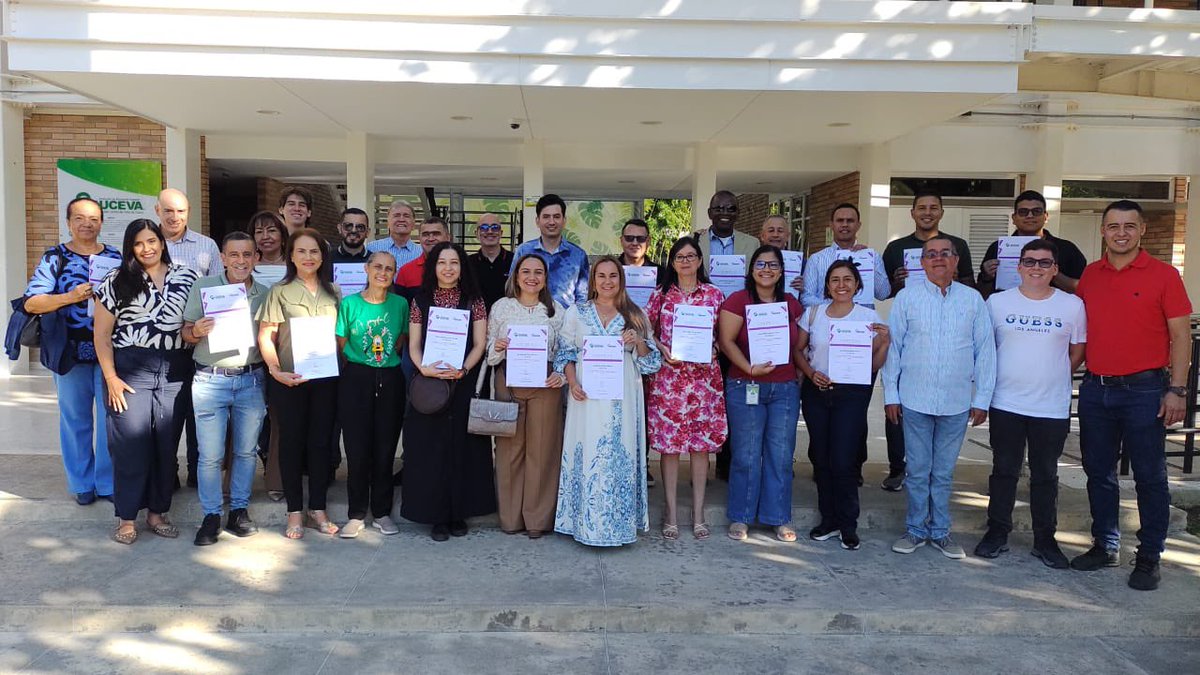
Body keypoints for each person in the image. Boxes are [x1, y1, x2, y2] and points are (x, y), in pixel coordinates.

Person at [1072, 199, 1192, 591]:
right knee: (1098, 473)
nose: (1120, 233)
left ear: (1142, 230)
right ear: (1103, 231)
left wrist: (1177, 389)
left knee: (1149, 476)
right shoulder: (1091, 275)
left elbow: (1181, 336)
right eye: (1113, 226)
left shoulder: (1164, 275)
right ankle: (1105, 545)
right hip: (1096, 388)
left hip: (1146, 390)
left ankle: (1149, 556)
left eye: (1129, 226)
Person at [975, 239, 1086, 568]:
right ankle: (997, 532)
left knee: (1045, 475)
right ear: (1019, 266)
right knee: (1004, 471)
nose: (1036, 268)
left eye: (1044, 262)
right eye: (1030, 261)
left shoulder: (1072, 305)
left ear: (1055, 269)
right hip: (1006, 402)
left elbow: (1077, 351)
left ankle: (1045, 539)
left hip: (1050, 406)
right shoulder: (997, 303)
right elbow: (986, 350)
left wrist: (1052, 374)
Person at [884, 236, 995, 560]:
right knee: (918, 471)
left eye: (945, 254)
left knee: (943, 473)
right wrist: (891, 394)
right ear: (922, 262)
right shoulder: (907, 298)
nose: (938, 259)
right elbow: (894, 348)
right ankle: (916, 530)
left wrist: (982, 399)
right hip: (914, 398)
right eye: (931, 254)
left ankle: (941, 531)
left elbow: (985, 351)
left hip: (956, 402)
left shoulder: (973, 300)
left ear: (956, 260)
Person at [93, 219, 199, 545]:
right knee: (130, 446)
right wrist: (111, 378)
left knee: (165, 445)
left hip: (175, 371)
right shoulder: (116, 280)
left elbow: (194, 323)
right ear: (131, 247)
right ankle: (127, 518)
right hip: (130, 371)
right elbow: (102, 336)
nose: (146, 248)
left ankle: (157, 513)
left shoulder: (187, 277)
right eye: (138, 243)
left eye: (151, 241)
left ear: (161, 242)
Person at [554, 257, 661, 546]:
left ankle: (618, 526)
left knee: (618, 452)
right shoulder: (577, 312)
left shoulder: (635, 314)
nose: (607, 281)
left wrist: (638, 342)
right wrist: (572, 383)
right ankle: (582, 523)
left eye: (613, 275)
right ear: (593, 280)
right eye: (601, 276)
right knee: (587, 449)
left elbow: (651, 364)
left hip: (622, 397)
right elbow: (565, 353)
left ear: (621, 280)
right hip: (586, 394)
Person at [22, 197, 121, 505]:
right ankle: (82, 483)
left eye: (93, 218)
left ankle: (107, 482)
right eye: (79, 218)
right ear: (68, 222)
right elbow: (32, 302)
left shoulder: (115, 257)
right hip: (69, 354)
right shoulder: (55, 257)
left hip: (109, 353)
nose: (86, 224)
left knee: (110, 420)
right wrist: (70, 297)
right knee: (75, 419)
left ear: (101, 223)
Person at [878, 191, 976, 493]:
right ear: (912, 213)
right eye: (922, 208)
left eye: (933, 208)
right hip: (912, 325)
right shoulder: (896, 248)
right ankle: (898, 468)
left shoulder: (958, 245)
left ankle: (932, 472)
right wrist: (896, 280)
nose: (927, 212)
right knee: (899, 405)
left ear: (941, 212)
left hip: (947, 326)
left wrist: (949, 278)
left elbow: (970, 283)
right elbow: (884, 290)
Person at [401, 242, 496, 541]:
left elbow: (480, 344)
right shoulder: (420, 301)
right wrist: (424, 368)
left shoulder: (474, 300)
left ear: (461, 267)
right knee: (432, 450)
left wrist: (464, 370)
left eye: (454, 262)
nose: (448, 268)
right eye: (442, 262)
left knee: (463, 448)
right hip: (430, 384)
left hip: (463, 381)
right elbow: (413, 345)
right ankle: (436, 516)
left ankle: (459, 514)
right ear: (434, 267)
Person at [181, 231, 269, 546]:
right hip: (210, 380)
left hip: (251, 379)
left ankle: (239, 510)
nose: (241, 261)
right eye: (234, 254)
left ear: (256, 258)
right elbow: (185, 332)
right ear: (223, 258)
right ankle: (211, 515)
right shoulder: (204, 287)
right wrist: (196, 330)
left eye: (247, 255)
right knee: (210, 455)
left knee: (246, 450)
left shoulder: (264, 293)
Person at [795, 260, 890, 551]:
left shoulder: (868, 317)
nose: (841, 285)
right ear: (827, 285)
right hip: (817, 392)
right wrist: (811, 373)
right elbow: (798, 350)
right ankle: (829, 520)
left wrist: (885, 342)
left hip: (851, 395)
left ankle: (848, 524)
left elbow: (873, 364)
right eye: (835, 279)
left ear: (858, 284)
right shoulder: (813, 313)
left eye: (847, 279)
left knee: (844, 460)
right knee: (821, 457)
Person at [256, 228, 341, 539]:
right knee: (291, 444)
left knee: (320, 444)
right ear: (291, 256)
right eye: (301, 251)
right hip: (289, 380)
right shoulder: (279, 292)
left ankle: (318, 508)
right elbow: (266, 336)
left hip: (326, 379)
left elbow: (341, 336)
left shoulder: (334, 292)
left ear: (322, 256)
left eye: (314, 251)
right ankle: (294, 511)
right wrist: (275, 370)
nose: (308, 257)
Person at [718, 244, 804, 542]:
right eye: (761, 264)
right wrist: (749, 368)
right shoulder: (738, 300)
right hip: (746, 384)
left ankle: (777, 517)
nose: (767, 270)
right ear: (751, 269)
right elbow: (726, 342)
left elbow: (799, 345)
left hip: (784, 388)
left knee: (781, 455)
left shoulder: (791, 303)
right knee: (746, 453)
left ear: (781, 271)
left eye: (773, 265)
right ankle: (741, 516)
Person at [645, 237, 727, 541]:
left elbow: (725, 335)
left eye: (691, 256)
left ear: (700, 260)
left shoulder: (714, 295)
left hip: (704, 382)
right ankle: (670, 511)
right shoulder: (661, 294)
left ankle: (699, 512)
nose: (685, 261)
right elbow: (645, 330)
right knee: (670, 448)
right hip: (670, 381)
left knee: (700, 447)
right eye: (679, 257)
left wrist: (716, 347)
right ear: (672, 262)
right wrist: (661, 347)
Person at [486, 253, 565, 538]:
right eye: (526, 271)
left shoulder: (556, 310)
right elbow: (488, 349)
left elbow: (565, 349)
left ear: (545, 278)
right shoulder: (501, 307)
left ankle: (537, 520)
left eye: (538, 272)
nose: (532, 277)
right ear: (516, 277)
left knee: (542, 451)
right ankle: (510, 518)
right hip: (508, 381)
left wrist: (560, 373)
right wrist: (498, 346)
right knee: (509, 451)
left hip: (545, 384)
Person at [335, 251, 408, 538]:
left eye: (389, 268)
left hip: (390, 378)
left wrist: (381, 362)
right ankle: (356, 513)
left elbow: (400, 340)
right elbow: (342, 341)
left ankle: (381, 512)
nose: (383, 272)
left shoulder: (400, 304)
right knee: (356, 448)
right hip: (356, 378)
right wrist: (363, 363)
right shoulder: (350, 304)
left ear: (394, 273)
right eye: (377, 266)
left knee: (385, 448)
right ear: (366, 269)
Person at [694, 190, 758, 483]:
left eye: (731, 208)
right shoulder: (696, 242)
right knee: (706, 397)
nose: (724, 213)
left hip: (740, 328)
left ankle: (728, 461)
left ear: (738, 213)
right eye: (719, 208)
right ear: (710, 212)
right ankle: (703, 460)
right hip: (702, 330)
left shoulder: (751, 244)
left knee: (736, 396)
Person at [156, 187, 218, 488]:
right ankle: (168, 475)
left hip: (200, 343)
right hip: (161, 347)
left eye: (180, 211)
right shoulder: (148, 245)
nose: (174, 217)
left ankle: (197, 473)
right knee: (168, 417)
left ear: (188, 212)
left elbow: (220, 289)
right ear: (157, 211)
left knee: (199, 415)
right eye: (168, 210)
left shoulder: (207, 246)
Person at [976, 190, 1089, 298]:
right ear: (1014, 218)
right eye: (1023, 212)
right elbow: (980, 294)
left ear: (1046, 216)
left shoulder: (1067, 249)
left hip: (1054, 310)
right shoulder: (997, 248)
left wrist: (1051, 271)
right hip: (1007, 309)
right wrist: (987, 276)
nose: (1030, 216)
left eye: (1036, 211)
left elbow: (1083, 289)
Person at [618, 217, 664, 488]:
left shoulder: (662, 273)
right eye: (629, 238)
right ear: (621, 240)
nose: (635, 243)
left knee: (644, 409)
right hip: (617, 347)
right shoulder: (611, 269)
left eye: (640, 238)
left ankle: (642, 463)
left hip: (650, 346)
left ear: (648, 242)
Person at [511, 194, 590, 309]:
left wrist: (575, 317)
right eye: (546, 217)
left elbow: (583, 296)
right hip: (529, 317)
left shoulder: (578, 255)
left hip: (566, 318)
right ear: (537, 221)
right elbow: (513, 288)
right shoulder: (524, 251)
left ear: (564, 221)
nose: (551, 222)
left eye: (556, 217)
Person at [395, 216, 451, 297]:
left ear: (448, 237)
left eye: (436, 234)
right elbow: (401, 303)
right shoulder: (405, 271)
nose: (431, 238)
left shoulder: (459, 269)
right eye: (425, 234)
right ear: (419, 238)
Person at [468, 213, 514, 311]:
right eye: (484, 228)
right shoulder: (468, 263)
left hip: (508, 316)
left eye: (495, 227)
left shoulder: (515, 260)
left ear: (501, 233)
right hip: (476, 317)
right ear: (476, 233)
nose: (490, 231)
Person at [366, 199, 423, 270]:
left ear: (414, 224)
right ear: (388, 223)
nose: (401, 219)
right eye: (396, 216)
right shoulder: (372, 248)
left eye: (406, 216)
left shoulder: (421, 252)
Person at [758, 214, 803, 297]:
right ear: (762, 236)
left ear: (787, 236)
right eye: (771, 230)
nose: (775, 235)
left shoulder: (801, 264)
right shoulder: (753, 261)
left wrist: (804, 288)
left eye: (780, 231)